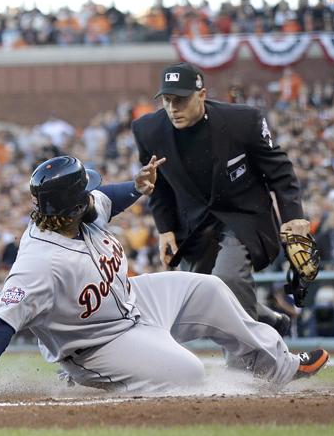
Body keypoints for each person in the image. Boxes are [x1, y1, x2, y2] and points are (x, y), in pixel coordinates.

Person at [0, 155, 328, 399]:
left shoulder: (77, 212)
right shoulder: (39, 263)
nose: (93, 193)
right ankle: (93, 382)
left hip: (135, 301)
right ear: (72, 206)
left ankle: (278, 367)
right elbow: (2, 320)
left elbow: (110, 195)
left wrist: (138, 185)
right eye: (86, 190)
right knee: (190, 374)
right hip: (99, 343)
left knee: (209, 287)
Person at [131, 62, 308, 336]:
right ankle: (267, 320)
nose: (173, 108)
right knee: (196, 297)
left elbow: (279, 169)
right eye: (167, 100)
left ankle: (250, 368)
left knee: (229, 278)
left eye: (181, 99)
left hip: (244, 216)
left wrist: (293, 215)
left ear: (201, 95)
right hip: (195, 225)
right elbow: (159, 185)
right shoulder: (147, 130)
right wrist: (164, 229)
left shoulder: (243, 120)